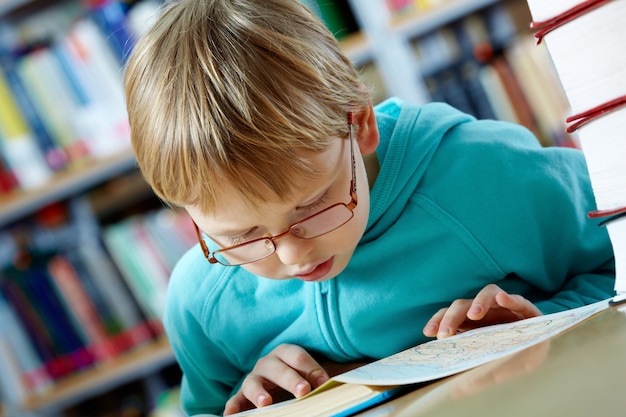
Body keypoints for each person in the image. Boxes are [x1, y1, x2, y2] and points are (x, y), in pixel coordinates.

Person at [122, 0, 615, 415]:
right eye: (240, 237)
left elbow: (617, 271)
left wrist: (543, 324)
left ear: (358, 124)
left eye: (311, 205)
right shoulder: (202, 303)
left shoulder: (489, 174)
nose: (293, 255)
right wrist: (248, 400)